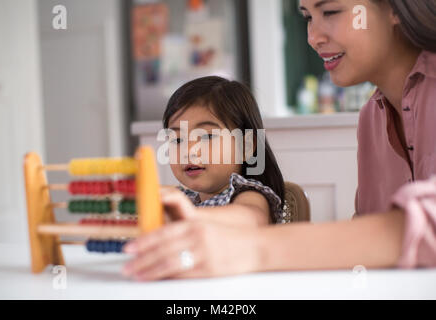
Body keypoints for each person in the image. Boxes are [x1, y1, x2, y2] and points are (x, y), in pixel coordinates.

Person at [122, 0, 436, 281]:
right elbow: (371, 246)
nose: (313, 38)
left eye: (330, 11)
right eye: (307, 17)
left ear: (396, 7)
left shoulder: (249, 195)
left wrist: (250, 249)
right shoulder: (371, 119)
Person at [156, 76, 291, 228]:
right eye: (178, 140)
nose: (189, 151)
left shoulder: (247, 194)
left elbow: (252, 218)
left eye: (207, 136)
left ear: (245, 147)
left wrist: (188, 215)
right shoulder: (186, 198)